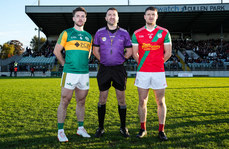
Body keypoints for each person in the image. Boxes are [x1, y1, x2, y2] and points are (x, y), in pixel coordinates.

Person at [132, 6, 172, 141]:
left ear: (156, 16)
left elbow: (168, 53)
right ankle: (143, 128)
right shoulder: (137, 33)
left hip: (158, 72)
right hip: (143, 72)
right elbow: (134, 53)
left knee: (160, 101)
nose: (150, 17)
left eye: (153, 14)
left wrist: (157, 63)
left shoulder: (164, 32)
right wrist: (144, 64)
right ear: (144, 16)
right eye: (148, 14)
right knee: (142, 101)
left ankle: (161, 130)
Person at [53, 7, 93, 142]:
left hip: (84, 73)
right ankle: (60, 131)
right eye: (78, 16)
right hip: (69, 72)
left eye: (83, 16)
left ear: (85, 19)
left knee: (81, 101)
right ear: (73, 18)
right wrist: (64, 64)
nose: (80, 18)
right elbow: (56, 51)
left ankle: (80, 128)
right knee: (65, 101)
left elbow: (88, 54)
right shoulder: (66, 33)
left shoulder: (88, 36)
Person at [93, 7, 132, 138]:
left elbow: (130, 51)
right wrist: (104, 60)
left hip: (119, 69)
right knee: (102, 98)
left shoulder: (124, 33)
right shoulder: (99, 33)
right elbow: (95, 51)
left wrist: (121, 60)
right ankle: (101, 128)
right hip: (104, 69)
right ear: (106, 18)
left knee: (121, 99)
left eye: (114, 15)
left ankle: (123, 127)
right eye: (109, 15)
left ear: (117, 18)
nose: (111, 17)